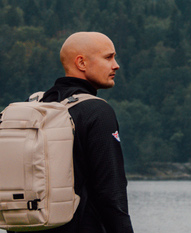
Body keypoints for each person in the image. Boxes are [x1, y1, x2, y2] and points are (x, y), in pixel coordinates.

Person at [39, 30, 135, 233]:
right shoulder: (96, 111)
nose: (116, 65)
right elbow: (111, 191)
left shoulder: (40, 106)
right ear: (81, 63)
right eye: (108, 57)